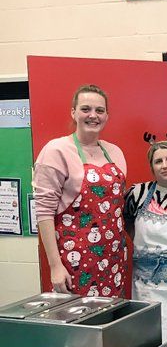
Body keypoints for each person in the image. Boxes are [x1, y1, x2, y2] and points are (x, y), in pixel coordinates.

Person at [33, 84, 128, 297]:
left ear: (106, 116)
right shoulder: (55, 151)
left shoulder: (115, 152)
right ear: (73, 112)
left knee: (110, 324)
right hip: (74, 262)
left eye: (99, 110)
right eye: (85, 109)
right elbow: (44, 213)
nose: (93, 115)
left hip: (113, 260)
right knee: (80, 326)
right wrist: (55, 266)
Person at [124, 141, 167, 342]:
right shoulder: (138, 193)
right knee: (148, 338)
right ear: (151, 166)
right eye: (158, 161)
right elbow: (129, 224)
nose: (165, 165)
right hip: (145, 285)